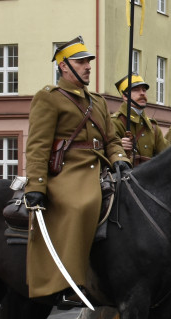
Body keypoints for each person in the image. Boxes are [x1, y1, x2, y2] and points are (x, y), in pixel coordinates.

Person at [23, 36, 129, 300]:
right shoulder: (49, 98)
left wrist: (119, 159)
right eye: (81, 62)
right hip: (68, 170)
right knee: (81, 204)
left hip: (100, 167)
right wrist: (36, 185)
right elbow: (37, 145)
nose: (87, 66)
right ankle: (68, 283)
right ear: (63, 66)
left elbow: (111, 139)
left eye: (88, 62)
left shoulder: (98, 102)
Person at [113, 74, 168, 165]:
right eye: (136, 90)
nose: (142, 93)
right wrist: (118, 147)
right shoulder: (115, 122)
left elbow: (167, 154)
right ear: (125, 96)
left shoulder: (152, 127)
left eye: (144, 90)